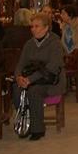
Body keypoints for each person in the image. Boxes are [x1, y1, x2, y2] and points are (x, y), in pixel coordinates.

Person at [14, 12, 66, 141]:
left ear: (46, 27)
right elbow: (20, 63)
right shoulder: (29, 44)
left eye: (37, 26)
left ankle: (37, 129)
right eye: (32, 26)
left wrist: (30, 80)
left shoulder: (55, 43)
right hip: (32, 78)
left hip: (51, 80)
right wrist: (19, 77)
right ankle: (25, 122)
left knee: (34, 91)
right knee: (16, 89)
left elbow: (52, 67)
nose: (33, 29)